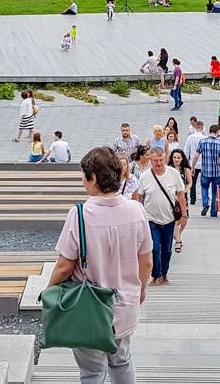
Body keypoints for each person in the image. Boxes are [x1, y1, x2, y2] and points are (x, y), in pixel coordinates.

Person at [48, 147, 152, 383]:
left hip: (89, 309)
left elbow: (65, 266)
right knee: (122, 359)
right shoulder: (137, 210)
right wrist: (141, 289)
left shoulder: (80, 214)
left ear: (93, 178)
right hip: (125, 302)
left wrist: (49, 291)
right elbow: (146, 261)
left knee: (93, 371)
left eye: (84, 177)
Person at [133, 148, 186, 285]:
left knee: (167, 249)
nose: (158, 163)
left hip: (169, 219)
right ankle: (156, 274)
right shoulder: (145, 176)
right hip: (151, 219)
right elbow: (140, 195)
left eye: (161, 160)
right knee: (154, 247)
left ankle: (164, 273)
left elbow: (180, 194)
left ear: (165, 158)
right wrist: (139, 214)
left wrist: (184, 215)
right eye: (155, 160)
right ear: (150, 160)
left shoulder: (173, 173)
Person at [193, 125, 220, 217]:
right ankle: (213, 212)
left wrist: (193, 167)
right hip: (217, 172)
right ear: (217, 131)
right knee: (215, 191)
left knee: (204, 188)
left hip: (205, 171)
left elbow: (196, 156)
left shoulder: (202, 141)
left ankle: (205, 204)